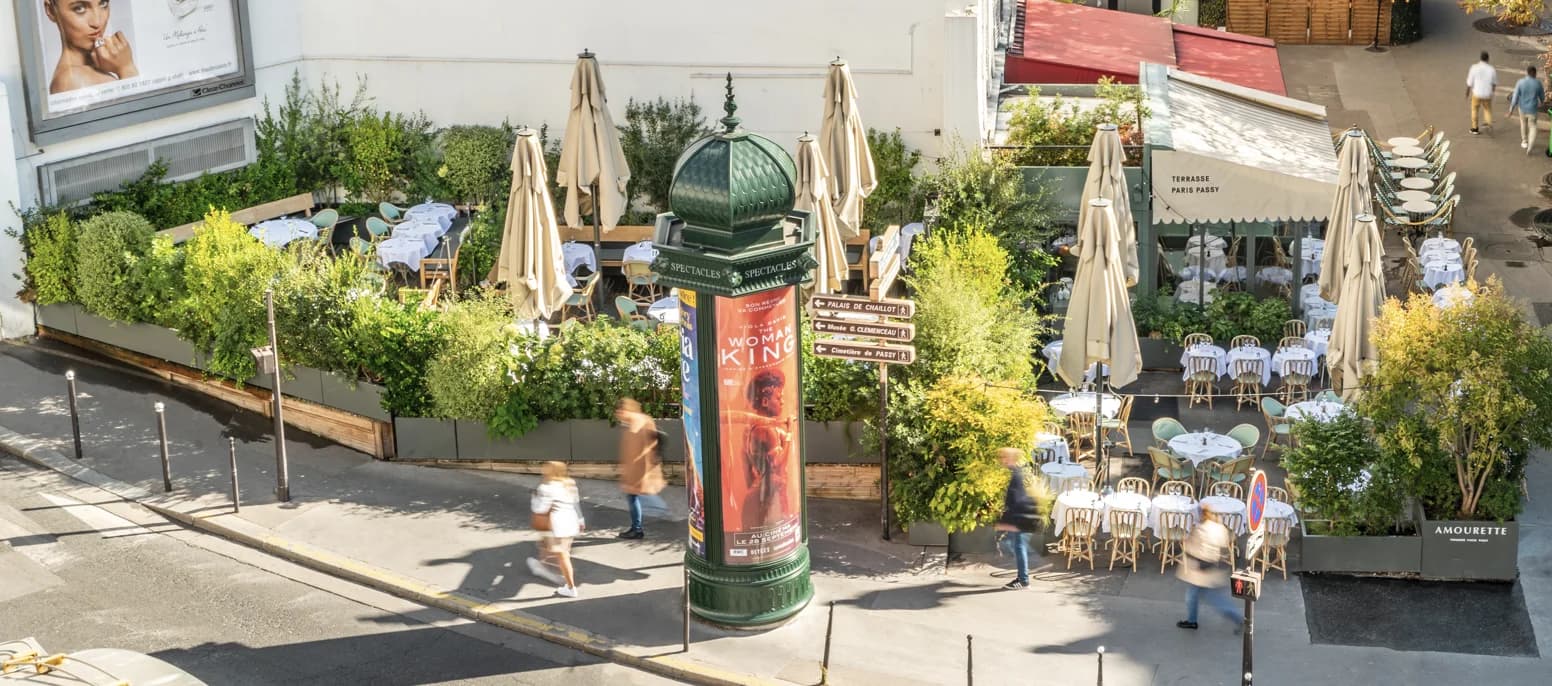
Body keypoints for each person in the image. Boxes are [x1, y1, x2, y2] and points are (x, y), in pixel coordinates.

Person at [43, 0, 139, 95]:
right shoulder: (73, 80)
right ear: (51, 10)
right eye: (79, 8)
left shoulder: (94, 69)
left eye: (103, 3)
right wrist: (127, 69)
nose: (97, 22)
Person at [1176, 511, 1242, 631]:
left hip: (1202, 572)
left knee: (1212, 599)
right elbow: (1224, 547)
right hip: (1214, 569)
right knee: (1197, 596)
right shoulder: (1220, 528)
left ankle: (1239, 620)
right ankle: (1192, 620)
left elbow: (1193, 549)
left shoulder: (1201, 529)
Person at [528, 461, 584, 598]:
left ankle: (570, 587)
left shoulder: (546, 487)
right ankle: (543, 565)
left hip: (557, 526)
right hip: (571, 522)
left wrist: (534, 498)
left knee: (563, 555)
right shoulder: (569, 483)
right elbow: (575, 503)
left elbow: (540, 509)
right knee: (552, 546)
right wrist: (581, 520)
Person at [615, 398, 665, 540]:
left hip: (639, 469)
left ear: (626, 410)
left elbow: (637, 450)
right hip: (639, 468)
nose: (618, 415)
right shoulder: (640, 421)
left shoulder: (637, 423)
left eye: (620, 411)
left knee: (634, 496)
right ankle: (637, 527)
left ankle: (637, 529)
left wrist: (630, 472)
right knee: (635, 496)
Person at [994, 447, 1043, 590]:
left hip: (1020, 518)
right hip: (1020, 517)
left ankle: (1023, 580)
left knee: (1019, 547)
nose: (1002, 460)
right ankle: (1022, 577)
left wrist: (1007, 523)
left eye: (1004, 457)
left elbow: (1015, 501)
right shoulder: (1016, 472)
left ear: (1011, 458)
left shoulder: (1016, 475)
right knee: (1016, 545)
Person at [1508, 65, 1547, 154]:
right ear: (1535, 73)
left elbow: (1515, 97)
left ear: (1527, 73)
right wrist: (1542, 102)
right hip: (1533, 109)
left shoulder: (1520, 82)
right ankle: (1530, 146)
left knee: (1523, 123)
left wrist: (1511, 110)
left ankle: (1524, 141)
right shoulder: (1538, 83)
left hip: (1522, 108)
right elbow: (1542, 97)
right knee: (1533, 126)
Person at [1466, 51, 1497, 135]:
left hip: (1476, 93)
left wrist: (1467, 92)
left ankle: (1475, 128)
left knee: (1474, 109)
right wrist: (1492, 93)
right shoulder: (1491, 69)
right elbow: (1494, 83)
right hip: (1487, 94)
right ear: (1488, 59)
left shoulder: (1474, 67)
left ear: (1480, 58)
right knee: (1487, 109)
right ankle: (1488, 123)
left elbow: (1469, 82)